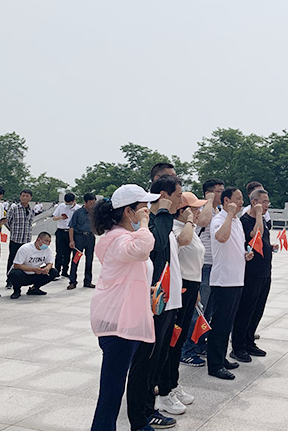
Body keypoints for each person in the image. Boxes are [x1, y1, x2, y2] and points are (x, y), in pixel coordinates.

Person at [89, 184, 159, 431]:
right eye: (143, 208)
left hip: (126, 319)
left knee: (114, 387)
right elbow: (141, 249)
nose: (147, 211)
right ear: (129, 211)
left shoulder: (122, 237)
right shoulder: (118, 239)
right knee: (112, 390)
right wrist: (144, 224)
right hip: (117, 323)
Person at [127, 175, 182, 431]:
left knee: (158, 358)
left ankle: (149, 407)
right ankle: (142, 414)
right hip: (152, 301)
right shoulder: (150, 222)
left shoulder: (163, 220)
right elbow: (156, 245)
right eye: (177, 196)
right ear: (164, 195)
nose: (180, 201)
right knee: (145, 362)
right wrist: (161, 213)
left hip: (166, 299)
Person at [155, 191, 206, 416]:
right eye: (194, 208)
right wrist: (189, 220)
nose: (198, 211)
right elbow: (183, 242)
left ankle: (173, 384)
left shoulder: (188, 227)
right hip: (180, 287)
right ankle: (164, 389)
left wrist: (197, 291)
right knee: (172, 342)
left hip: (191, 287)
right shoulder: (177, 228)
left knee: (179, 338)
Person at [207, 187, 252, 380]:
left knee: (228, 323)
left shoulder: (236, 221)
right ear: (226, 200)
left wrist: (245, 254)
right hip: (223, 280)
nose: (241, 202)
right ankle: (214, 365)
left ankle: (221, 357)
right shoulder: (219, 219)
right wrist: (230, 215)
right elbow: (221, 237)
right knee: (219, 324)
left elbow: (234, 245)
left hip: (237, 278)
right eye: (238, 199)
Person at [181, 178, 223, 364]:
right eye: (218, 191)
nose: (222, 193)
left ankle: (199, 343)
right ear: (209, 193)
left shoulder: (218, 210)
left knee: (209, 310)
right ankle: (187, 349)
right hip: (203, 265)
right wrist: (209, 201)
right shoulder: (203, 210)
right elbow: (204, 221)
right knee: (198, 309)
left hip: (214, 265)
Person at [230, 189, 272, 363]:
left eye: (268, 202)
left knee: (257, 309)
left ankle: (249, 341)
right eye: (264, 202)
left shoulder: (262, 220)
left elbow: (262, 240)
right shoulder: (246, 221)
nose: (267, 205)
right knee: (246, 309)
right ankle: (238, 346)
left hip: (264, 271)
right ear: (254, 202)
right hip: (251, 273)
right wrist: (259, 215)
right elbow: (257, 234)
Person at [8, 232, 59, 299]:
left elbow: (50, 263)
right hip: (24, 274)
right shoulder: (25, 248)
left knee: (53, 271)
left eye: (49, 242)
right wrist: (33, 269)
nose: (48, 244)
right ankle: (16, 291)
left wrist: (47, 268)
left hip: (36, 273)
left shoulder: (47, 250)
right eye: (46, 241)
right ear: (38, 239)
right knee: (15, 273)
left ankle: (35, 288)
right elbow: (17, 265)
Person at [5, 189, 35, 288]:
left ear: (30, 198)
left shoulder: (31, 210)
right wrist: (13, 230)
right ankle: (9, 280)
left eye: (27, 196)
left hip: (26, 240)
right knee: (12, 259)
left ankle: (21, 279)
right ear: (20, 196)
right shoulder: (14, 209)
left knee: (24, 261)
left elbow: (30, 223)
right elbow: (7, 222)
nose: (25, 198)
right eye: (23, 196)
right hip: (15, 239)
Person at [68, 193, 97, 290]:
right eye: (90, 203)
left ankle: (88, 281)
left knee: (89, 260)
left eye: (93, 203)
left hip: (90, 238)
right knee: (75, 259)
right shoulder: (78, 212)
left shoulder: (95, 213)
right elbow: (71, 227)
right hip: (79, 238)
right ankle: (72, 281)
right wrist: (71, 240)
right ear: (85, 202)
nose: (92, 205)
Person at [52, 192, 81, 277]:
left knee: (68, 253)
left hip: (71, 232)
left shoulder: (78, 208)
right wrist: (60, 217)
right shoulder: (61, 206)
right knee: (59, 252)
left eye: (70, 203)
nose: (68, 204)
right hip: (61, 231)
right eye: (66, 203)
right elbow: (54, 217)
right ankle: (56, 271)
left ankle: (65, 271)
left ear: (74, 201)